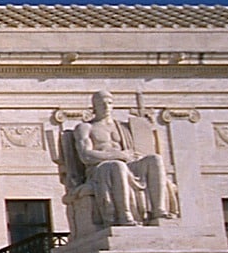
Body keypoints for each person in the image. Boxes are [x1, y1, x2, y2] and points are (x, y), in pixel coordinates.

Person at [63, 90, 175, 231]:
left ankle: (159, 211)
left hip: (126, 163)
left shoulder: (121, 127)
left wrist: (132, 156)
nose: (106, 106)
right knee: (117, 166)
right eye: (101, 103)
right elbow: (86, 156)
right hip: (99, 168)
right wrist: (119, 155)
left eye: (109, 103)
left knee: (155, 159)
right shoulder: (86, 127)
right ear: (94, 107)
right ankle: (124, 215)